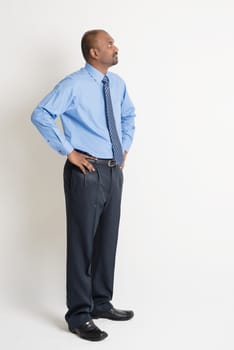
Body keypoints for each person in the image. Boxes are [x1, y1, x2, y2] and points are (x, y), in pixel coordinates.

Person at [31, 29, 136, 342]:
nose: (115, 47)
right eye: (109, 44)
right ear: (94, 52)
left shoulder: (116, 84)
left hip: (113, 170)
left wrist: (124, 148)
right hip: (86, 171)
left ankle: (101, 303)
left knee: (107, 238)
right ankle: (79, 315)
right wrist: (68, 151)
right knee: (82, 244)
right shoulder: (74, 84)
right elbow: (41, 114)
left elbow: (129, 116)